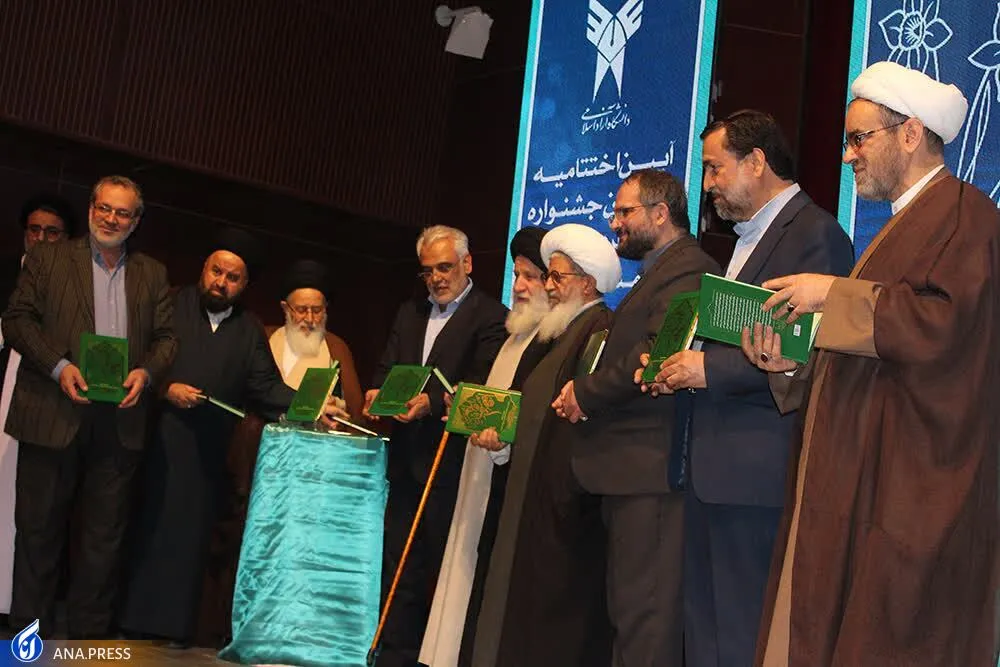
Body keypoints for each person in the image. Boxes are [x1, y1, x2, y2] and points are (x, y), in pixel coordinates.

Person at [743, 61, 999, 666]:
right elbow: (863, 356)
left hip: (910, 498)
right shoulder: (902, 228)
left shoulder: (966, 215)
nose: (847, 155)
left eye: (859, 139)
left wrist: (831, 293)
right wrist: (786, 365)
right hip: (857, 487)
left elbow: (941, 327)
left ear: (910, 133)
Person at [641, 111, 853, 667]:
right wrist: (679, 363)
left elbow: (805, 355)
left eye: (715, 168)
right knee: (705, 637)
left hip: (756, 475)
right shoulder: (742, 242)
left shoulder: (815, 235)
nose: (707, 184)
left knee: (742, 637)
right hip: (710, 470)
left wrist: (707, 370)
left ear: (756, 162)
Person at [119, 229, 348, 648]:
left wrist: (315, 405)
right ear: (204, 269)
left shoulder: (249, 330)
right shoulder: (170, 304)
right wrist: (165, 387)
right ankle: (131, 620)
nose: (220, 282)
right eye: (216, 271)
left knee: (190, 542)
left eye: (232, 277)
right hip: (157, 440)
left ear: (244, 285)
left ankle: (173, 628)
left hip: (208, 454)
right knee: (146, 529)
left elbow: (267, 388)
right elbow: (136, 356)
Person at [552, 169, 721, 666]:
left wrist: (586, 392)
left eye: (624, 212)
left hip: (652, 477)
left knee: (646, 625)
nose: (614, 222)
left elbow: (655, 353)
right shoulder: (662, 270)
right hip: (632, 475)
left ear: (660, 213)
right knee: (631, 618)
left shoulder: (689, 269)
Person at [2, 175, 175, 639]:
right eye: (104, 208)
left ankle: (87, 648)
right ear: (92, 208)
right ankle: (27, 647)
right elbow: (17, 320)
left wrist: (146, 372)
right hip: (53, 411)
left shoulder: (153, 274)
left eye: (122, 212)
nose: (111, 219)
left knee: (104, 544)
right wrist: (58, 366)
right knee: (38, 536)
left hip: (119, 422)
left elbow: (167, 339)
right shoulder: (49, 258)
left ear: (136, 221)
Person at [471, 223, 619, 667]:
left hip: (565, 514)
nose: (548, 287)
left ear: (587, 283)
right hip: (532, 501)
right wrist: (503, 444)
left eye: (557, 277)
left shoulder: (598, 331)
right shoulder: (556, 333)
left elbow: (585, 421)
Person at [363, 225, 507, 667]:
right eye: (428, 271)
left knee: (448, 568)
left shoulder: (492, 316)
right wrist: (376, 393)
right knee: (399, 565)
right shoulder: (409, 312)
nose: (436, 279)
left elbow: (482, 381)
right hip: (406, 461)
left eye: (445, 268)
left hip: (454, 466)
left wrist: (431, 401)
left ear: (468, 264)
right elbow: (388, 367)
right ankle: (396, 656)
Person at [420, 227, 552, 667]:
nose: (519, 287)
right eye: (517, 275)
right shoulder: (515, 334)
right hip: (479, 476)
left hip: (508, 485)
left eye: (531, 277)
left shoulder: (548, 341)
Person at [0, 193, 78, 617]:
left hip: (42, 410)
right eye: (35, 231)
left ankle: (16, 608)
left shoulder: (72, 287)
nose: (42, 239)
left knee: (31, 517)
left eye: (53, 233)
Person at [269, 259, 363, 420]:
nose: (310, 318)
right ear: (285, 308)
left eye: (317, 310)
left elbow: (354, 408)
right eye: (301, 310)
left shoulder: (336, 347)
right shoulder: (266, 338)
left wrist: (337, 404)